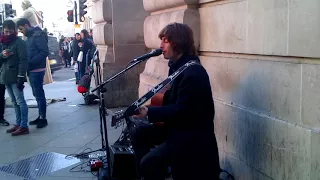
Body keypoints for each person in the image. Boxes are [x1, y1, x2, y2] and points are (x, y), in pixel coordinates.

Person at [131, 23, 221, 180]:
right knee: (139, 133)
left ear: (178, 42)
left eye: (165, 40)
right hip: (177, 129)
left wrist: (149, 112)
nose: (160, 45)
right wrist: (150, 109)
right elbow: (172, 101)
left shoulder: (193, 73)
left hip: (192, 137)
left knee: (150, 162)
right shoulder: (177, 67)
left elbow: (183, 110)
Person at [16, 18, 48, 129]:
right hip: (32, 69)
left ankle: (43, 118)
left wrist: (30, 62)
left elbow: (44, 52)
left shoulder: (37, 35)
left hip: (37, 69)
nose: (21, 31)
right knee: (36, 94)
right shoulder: (30, 36)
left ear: (26, 25)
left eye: (21, 29)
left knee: (39, 94)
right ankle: (40, 116)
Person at [0, 20, 29, 136]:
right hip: (5, 76)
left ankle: (24, 125)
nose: (7, 34)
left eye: (10, 32)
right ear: (3, 30)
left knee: (20, 101)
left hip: (16, 76)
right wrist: (2, 55)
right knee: (14, 102)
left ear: (15, 31)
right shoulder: (2, 43)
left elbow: (23, 60)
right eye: (6, 31)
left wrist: (21, 76)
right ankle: (18, 123)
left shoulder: (19, 42)